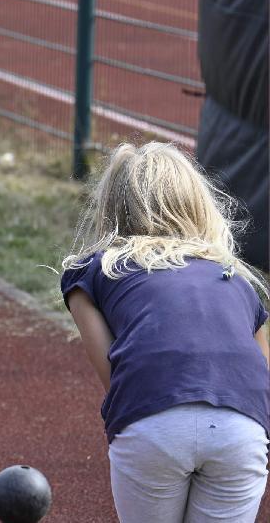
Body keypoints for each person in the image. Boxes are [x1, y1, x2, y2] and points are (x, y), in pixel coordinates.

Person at [60, 142, 270, 522]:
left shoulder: (94, 271)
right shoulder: (236, 277)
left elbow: (115, 375)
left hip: (154, 420)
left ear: (113, 205)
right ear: (197, 202)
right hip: (244, 426)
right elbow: (261, 372)